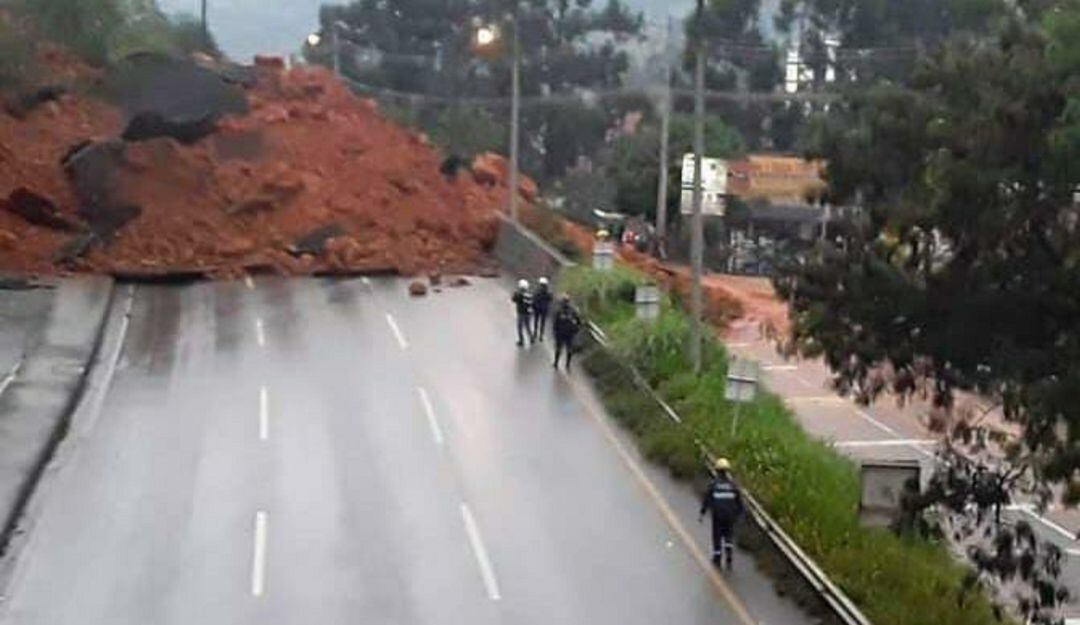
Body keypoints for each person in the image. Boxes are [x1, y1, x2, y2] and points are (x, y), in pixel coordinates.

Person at [699, 458, 743, 570]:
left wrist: (702, 513)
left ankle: (717, 559)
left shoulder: (713, 485)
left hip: (717, 516)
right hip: (730, 516)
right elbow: (739, 502)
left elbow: (707, 500)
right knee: (728, 536)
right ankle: (729, 557)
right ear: (727, 471)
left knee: (717, 537)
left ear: (717, 471)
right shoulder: (733, 485)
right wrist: (739, 514)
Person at [552, 294, 582, 371]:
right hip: (570, 333)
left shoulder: (559, 310)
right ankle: (567, 364)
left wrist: (555, 332)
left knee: (559, 348)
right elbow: (579, 321)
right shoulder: (573, 310)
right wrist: (576, 329)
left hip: (560, 332)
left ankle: (556, 363)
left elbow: (555, 322)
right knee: (569, 348)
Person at [531, 277, 554, 343]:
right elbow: (550, 299)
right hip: (544, 309)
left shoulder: (537, 291)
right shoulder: (548, 292)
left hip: (537, 308)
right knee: (542, 322)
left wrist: (533, 306)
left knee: (536, 321)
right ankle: (541, 335)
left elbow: (534, 299)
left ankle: (535, 333)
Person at [511, 279, 533, 347]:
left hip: (521, 313)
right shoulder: (530, 294)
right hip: (528, 313)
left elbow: (513, 299)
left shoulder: (519, 294)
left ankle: (521, 341)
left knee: (520, 327)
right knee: (528, 326)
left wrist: (515, 293)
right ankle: (531, 338)